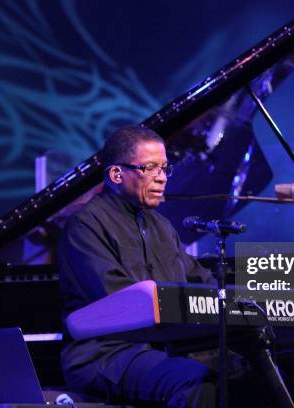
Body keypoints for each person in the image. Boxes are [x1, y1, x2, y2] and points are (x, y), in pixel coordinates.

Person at [57, 125, 218, 407]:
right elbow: (124, 303)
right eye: (151, 168)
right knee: (197, 382)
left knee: (260, 374)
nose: (162, 178)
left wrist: (239, 303)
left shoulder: (162, 227)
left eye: (165, 168)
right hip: (107, 354)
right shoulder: (85, 225)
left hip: (164, 348)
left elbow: (202, 283)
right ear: (117, 174)